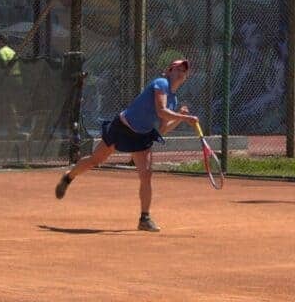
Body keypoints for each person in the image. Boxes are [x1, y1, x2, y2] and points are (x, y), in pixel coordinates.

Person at [54, 59, 199, 232]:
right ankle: (69, 177)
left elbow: (162, 128)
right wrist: (184, 118)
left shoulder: (173, 101)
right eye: (177, 69)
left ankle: (144, 218)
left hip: (142, 136)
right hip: (122, 127)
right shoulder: (161, 83)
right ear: (168, 71)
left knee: (146, 175)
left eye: (184, 71)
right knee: (95, 160)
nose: (181, 72)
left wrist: (179, 118)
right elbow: (161, 111)